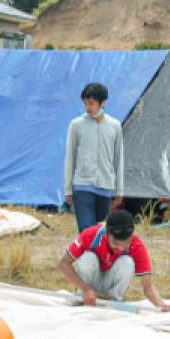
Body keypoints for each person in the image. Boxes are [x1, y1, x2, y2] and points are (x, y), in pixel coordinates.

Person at [58, 209, 170, 312]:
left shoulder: (138, 246)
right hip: (90, 281)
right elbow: (63, 264)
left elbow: (148, 286)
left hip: (110, 281)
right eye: (116, 244)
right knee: (88, 258)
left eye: (126, 244)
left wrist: (161, 305)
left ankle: (115, 300)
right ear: (107, 234)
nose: (121, 248)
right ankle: (81, 298)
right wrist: (85, 289)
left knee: (127, 262)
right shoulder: (90, 235)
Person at [63, 82, 124, 233]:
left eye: (91, 103)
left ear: (103, 103)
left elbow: (119, 159)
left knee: (101, 232)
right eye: (85, 103)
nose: (88, 107)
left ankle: (97, 257)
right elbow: (70, 157)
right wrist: (68, 188)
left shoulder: (115, 126)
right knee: (86, 231)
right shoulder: (76, 125)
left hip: (105, 186)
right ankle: (86, 256)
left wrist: (119, 190)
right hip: (82, 185)